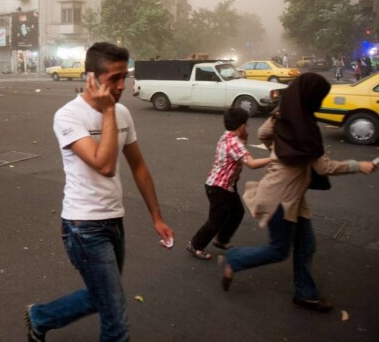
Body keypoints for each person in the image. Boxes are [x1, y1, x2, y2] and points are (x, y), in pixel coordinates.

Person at [25, 42, 174, 341]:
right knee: (115, 319)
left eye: (125, 76)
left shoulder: (122, 114)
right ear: (90, 78)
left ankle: (40, 316)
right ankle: (40, 317)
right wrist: (108, 112)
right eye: (114, 78)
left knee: (102, 296)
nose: (122, 86)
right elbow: (103, 165)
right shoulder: (68, 116)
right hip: (83, 227)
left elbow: (139, 166)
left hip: (114, 221)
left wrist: (156, 217)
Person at [221, 73, 375, 312]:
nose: (320, 102)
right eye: (319, 97)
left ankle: (305, 293)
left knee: (307, 245)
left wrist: (279, 152)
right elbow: (324, 167)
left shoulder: (282, 115)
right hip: (280, 199)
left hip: (292, 196)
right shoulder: (304, 130)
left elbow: (263, 134)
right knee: (278, 250)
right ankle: (234, 260)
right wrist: (359, 165)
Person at [186, 108, 271, 260]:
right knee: (216, 220)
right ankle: (195, 244)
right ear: (242, 126)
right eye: (246, 125)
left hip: (225, 185)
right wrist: (273, 159)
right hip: (219, 187)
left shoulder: (227, 136)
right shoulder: (234, 142)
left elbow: (239, 151)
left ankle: (222, 240)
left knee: (237, 212)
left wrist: (244, 138)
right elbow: (251, 163)